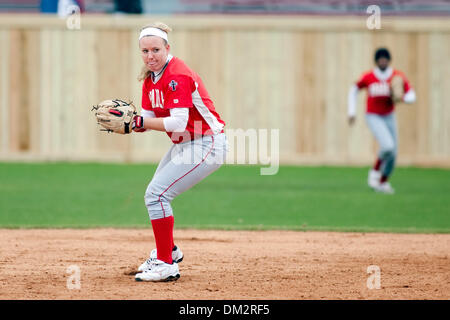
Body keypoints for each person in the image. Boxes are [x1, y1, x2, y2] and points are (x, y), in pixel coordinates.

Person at [131, 22, 227, 281]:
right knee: (155, 193)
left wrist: (140, 122)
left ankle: (165, 263)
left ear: (167, 48)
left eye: (155, 50)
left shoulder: (177, 74)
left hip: (208, 143)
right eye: (145, 51)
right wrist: (131, 123)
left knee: (156, 195)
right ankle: (168, 252)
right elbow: (148, 118)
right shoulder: (150, 78)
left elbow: (178, 123)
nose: (150, 56)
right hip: (187, 144)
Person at [347, 48, 416, 194]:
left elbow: (412, 96)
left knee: (393, 153)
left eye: (385, 59)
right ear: (376, 61)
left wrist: (402, 97)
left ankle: (383, 183)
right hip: (373, 115)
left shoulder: (396, 76)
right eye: (380, 59)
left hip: (389, 116)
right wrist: (351, 111)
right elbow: (354, 89)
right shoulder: (369, 76)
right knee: (387, 146)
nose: (383, 61)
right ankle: (375, 171)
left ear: (389, 60)